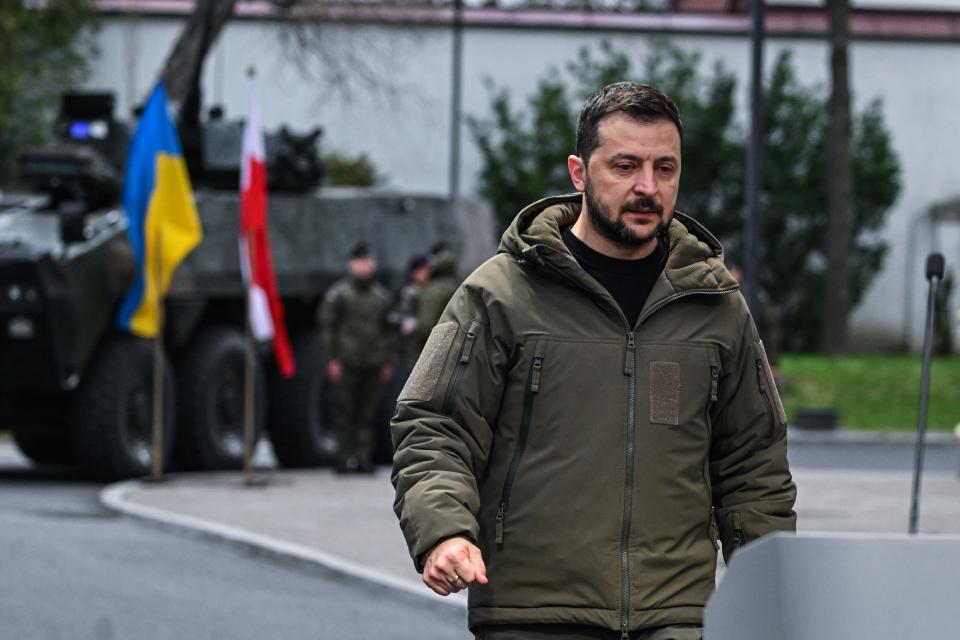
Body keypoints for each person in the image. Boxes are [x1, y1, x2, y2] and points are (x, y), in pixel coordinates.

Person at [391, 82, 796, 639]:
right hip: (533, 614)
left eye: (665, 169)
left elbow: (754, 465)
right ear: (579, 173)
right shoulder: (500, 295)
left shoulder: (717, 307)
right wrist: (444, 530)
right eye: (626, 166)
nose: (647, 187)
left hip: (675, 617)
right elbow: (433, 425)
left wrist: (771, 594)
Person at [319, 243, 394, 473]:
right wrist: (332, 358)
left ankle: (363, 457)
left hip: (373, 361)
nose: (363, 266)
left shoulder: (381, 297)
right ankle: (344, 457)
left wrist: (388, 360)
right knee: (345, 411)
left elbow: (389, 331)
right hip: (347, 360)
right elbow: (327, 327)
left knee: (367, 412)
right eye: (359, 262)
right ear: (351, 264)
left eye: (367, 261)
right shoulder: (339, 295)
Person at [411, 242, 461, 350]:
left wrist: (413, 328)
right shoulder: (461, 283)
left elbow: (425, 327)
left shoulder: (433, 290)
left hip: (438, 351)